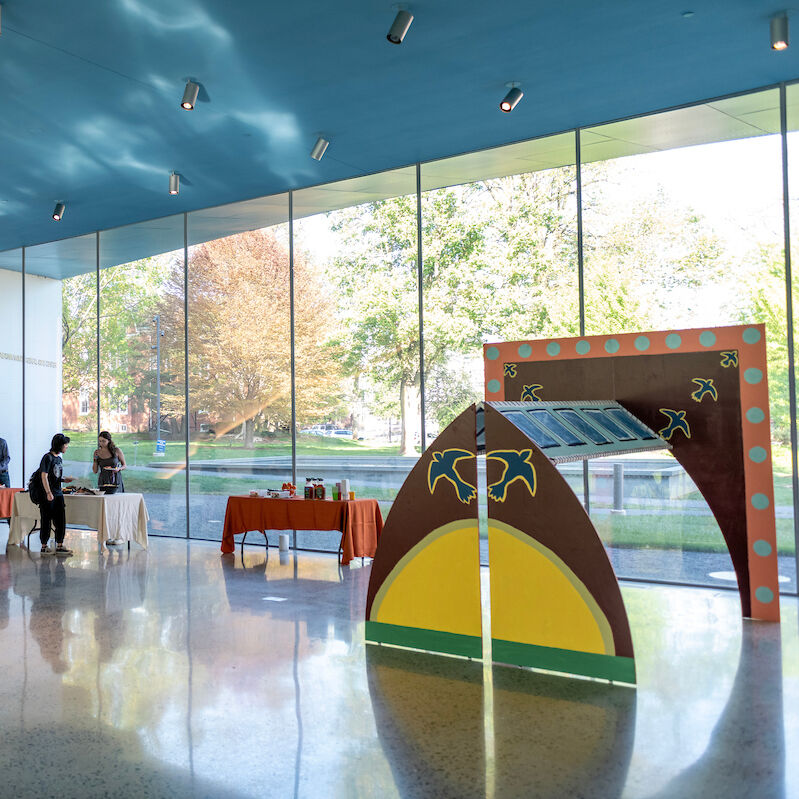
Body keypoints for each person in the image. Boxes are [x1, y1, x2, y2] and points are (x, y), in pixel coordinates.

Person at [39, 433, 75, 556]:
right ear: (59, 445)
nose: (67, 447)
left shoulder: (59, 459)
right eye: (65, 445)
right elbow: (44, 476)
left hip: (58, 494)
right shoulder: (47, 458)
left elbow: (56, 476)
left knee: (60, 520)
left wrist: (65, 480)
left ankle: (60, 545)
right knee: (46, 520)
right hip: (48, 494)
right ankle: (44, 546)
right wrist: (48, 492)